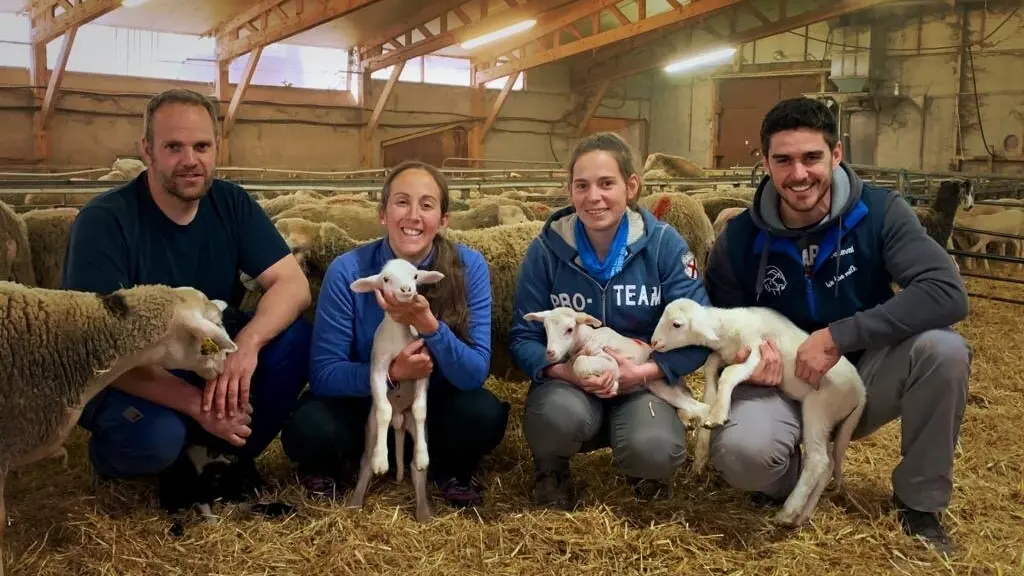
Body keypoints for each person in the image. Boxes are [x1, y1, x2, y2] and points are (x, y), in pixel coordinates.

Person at [703, 96, 971, 554]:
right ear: (765, 162)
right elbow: (722, 321)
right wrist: (747, 359)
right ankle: (793, 476)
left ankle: (920, 504)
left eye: (812, 157)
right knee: (743, 456)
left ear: (837, 154)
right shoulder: (740, 238)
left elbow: (946, 292)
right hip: (783, 384)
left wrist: (840, 336)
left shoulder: (880, 213)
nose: (799, 174)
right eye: (783, 160)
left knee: (943, 351)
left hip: (865, 375)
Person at [62, 88, 313, 499]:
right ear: (147, 149)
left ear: (217, 147)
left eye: (201, 146)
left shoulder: (231, 203)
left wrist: (247, 347)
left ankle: (223, 453)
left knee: (294, 339)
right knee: (157, 439)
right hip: (130, 368)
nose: (190, 160)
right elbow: (98, 349)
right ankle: (122, 457)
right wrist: (197, 405)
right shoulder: (104, 222)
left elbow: (293, 284)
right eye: (173, 147)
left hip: (206, 353)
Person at [280, 160, 510, 508]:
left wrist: (431, 327)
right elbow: (324, 374)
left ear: (443, 220)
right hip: (364, 406)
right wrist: (392, 373)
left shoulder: (467, 267)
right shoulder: (349, 271)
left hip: (430, 403)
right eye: (402, 202)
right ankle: (344, 465)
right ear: (383, 214)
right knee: (309, 426)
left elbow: (475, 372)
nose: (413, 216)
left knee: (483, 415)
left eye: (427, 205)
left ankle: (447, 469)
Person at [507, 132, 712, 510]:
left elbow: (700, 330)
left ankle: (643, 465)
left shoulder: (663, 245)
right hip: (570, 382)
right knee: (553, 418)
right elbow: (523, 335)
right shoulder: (547, 250)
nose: (593, 197)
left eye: (606, 183)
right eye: (582, 185)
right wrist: (565, 372)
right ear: (570, 190)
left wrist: (646, 372)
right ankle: (552, 469)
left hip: (642, 381)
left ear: (630, 186)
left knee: (655, 449)